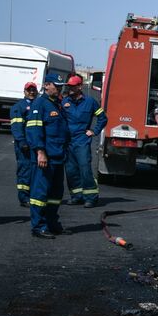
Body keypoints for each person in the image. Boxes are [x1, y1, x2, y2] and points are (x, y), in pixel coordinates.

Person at [24, 79, 71, 239]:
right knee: (40, 193)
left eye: (60, 86)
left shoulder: (57, 104)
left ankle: (52, 224)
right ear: (46, 86)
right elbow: (34, 130)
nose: (58, 89)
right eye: (55, 86)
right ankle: (38, 227)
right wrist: (40, 152)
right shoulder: (40, 104)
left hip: (58, 156)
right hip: (46, 156)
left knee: (55, 194)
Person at [61, 74, 107, 208]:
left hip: (82, 140)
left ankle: (91, 197)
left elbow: (103, 118)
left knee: (85, 168)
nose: (70, 88)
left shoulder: (90, 102)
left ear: (80, 86)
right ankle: (76, 196)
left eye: (73, 86)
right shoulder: (64, 102)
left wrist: (94, 131)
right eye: (69, 86)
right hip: (68, 141)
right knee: (70, 170)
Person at [9, 81, 38, 207]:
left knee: (35, 170)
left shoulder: (38, 104)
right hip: (24, 144)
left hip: (36, 144)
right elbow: (16, 126)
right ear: (24, 92)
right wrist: (21, 141)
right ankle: (24, 197)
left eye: (33, 90)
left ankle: (33, 195)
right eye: (29, 90)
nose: (31, 92)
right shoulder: (18, 107)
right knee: (24, 169)